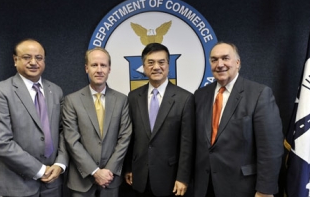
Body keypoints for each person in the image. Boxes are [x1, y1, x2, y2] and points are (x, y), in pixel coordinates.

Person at [194, 42, 283, 197]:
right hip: (204, 187)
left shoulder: (259, 94)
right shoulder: (200, 95)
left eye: (225, 58)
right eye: (214, 60)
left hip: (242, 188)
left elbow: (271, 149)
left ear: (237, 62)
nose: (219, 64)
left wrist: (265, 190)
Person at [0, 39, 69, 197]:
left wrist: (60, 163)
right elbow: (0, 142)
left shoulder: (56, 91)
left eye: (39, 58)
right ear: (15, 60)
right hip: (17, 185)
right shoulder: (0, 91)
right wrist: (39, 170)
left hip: (53, 184)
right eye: (27, 57)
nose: (34, 62)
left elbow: (64, 132)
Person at [124, 43, 195, 197]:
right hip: (139, 176)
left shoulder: (185, 98)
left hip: (169, 178)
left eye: (161, 62)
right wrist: (128, 167)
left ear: (169, 65)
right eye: (150, 62)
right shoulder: (133, 97)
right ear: (143, 67)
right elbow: (130, 136)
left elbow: (187, 143)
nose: (156, 67)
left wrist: (183, 178)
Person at [62, 47, 132, 197]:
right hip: (82, 180)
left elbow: (125, 137)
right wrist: (95, 171)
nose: (99, 70)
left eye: (103, 65)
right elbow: (72, 140)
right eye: (94, 65)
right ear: (86, 68)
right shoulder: (71, 100)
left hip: (110, 179)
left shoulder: (121, 100)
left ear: (109, 69)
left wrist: (108, 171)